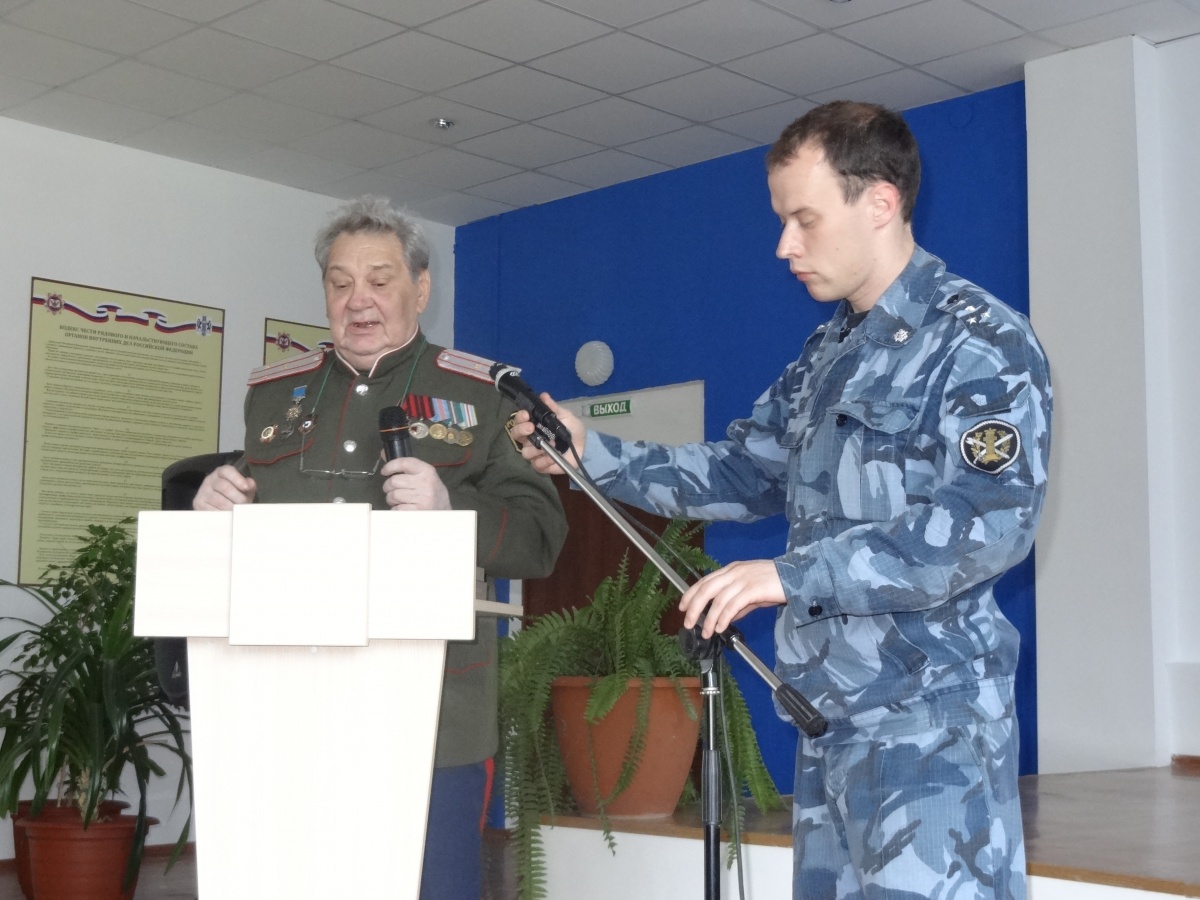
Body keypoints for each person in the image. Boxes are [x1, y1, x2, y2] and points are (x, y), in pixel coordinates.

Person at [513, 101, 1051, 900]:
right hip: (827, 727)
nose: (784, 246)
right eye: (781, 221)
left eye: (805, 219)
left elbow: (988, 523)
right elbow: (742, 471)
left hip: (931, 733)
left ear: (880, 202)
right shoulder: (827, 354)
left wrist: (792, 574)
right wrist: (593, 451)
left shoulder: (979, 341)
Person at [194, 195, 568, 900]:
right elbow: (258, 510)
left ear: (420, 289)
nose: (357, 299)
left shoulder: (481, 393)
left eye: (379, 279)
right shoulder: (276, 395)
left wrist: (450, 508)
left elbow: (541, 539)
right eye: (340, 283)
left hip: (432, 716)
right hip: (289, 707)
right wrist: (216, 504)